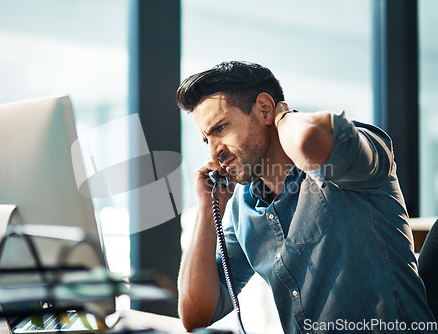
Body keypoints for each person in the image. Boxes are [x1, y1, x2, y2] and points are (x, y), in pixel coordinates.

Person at [176, 61, 437, 333]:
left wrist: (283, 117)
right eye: (207, 140)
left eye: (220, 129)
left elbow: (313, 140)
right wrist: (208, 208)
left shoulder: (350, 158)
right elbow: (196, 315)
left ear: (264, 108)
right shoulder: (243, 206)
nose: (213, 153)